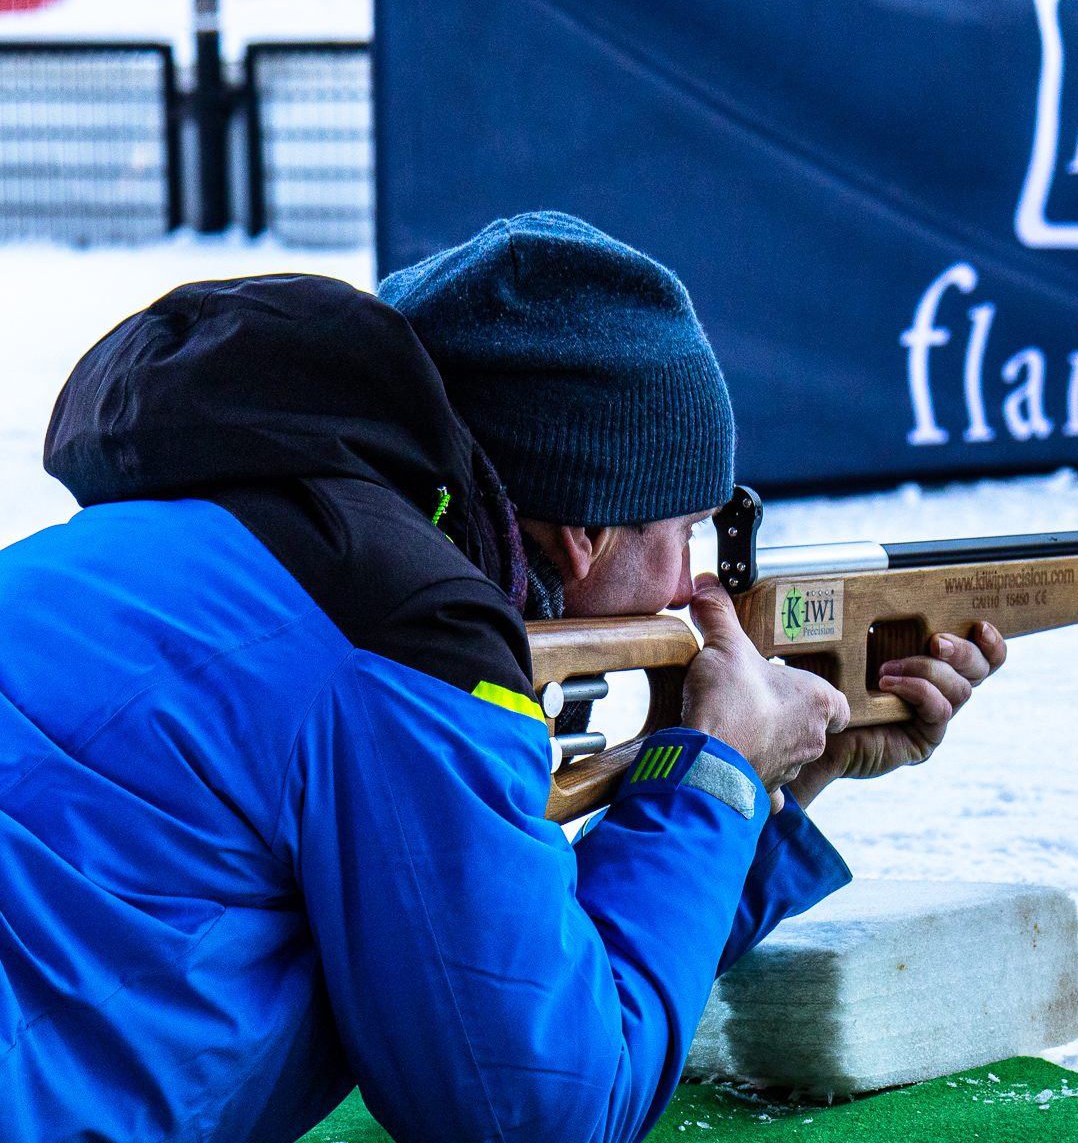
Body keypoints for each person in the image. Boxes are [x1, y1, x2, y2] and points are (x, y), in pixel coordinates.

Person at [0, 212, 1004, 1142]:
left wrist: (775, 780)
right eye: (688, 528)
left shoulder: (184, 540)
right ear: (585, 532)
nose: (690, 583)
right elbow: (534, 1107)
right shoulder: (404, 632)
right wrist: (715, 771)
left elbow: (511, 970)